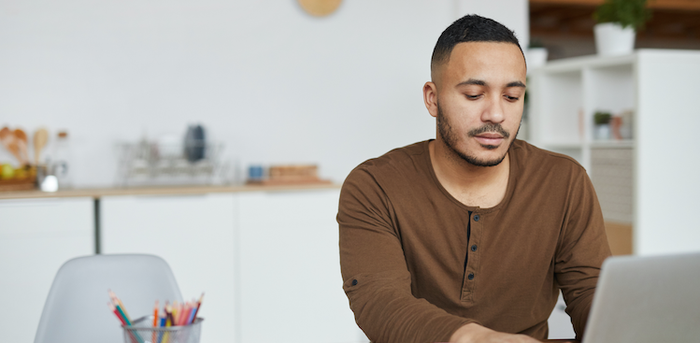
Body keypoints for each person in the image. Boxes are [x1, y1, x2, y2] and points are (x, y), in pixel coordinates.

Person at [337, 14, 611, 343]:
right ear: (432, 98)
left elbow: (590, 291)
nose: (496, 114)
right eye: (474, 95)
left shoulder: (565, 181)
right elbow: (380, 302)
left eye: (511, 97)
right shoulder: (374, 186)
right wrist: (477, 339)